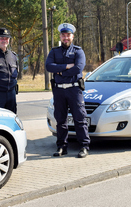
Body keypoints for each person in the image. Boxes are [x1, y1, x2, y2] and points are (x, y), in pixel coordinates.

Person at [45, 23, 90, 158]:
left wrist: (60, 72)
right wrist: (66, 66)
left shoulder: (78, 51)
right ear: (60, 36)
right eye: (63, 35)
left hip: (74, 90)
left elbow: (78, 68)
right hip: (59, 91)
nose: (66, 38)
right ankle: (62, 147)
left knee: (80, 119)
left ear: (72, 36)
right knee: (61, 121)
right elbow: (48, 66)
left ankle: (84, 146)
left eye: (68, 35)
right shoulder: (54, 51)